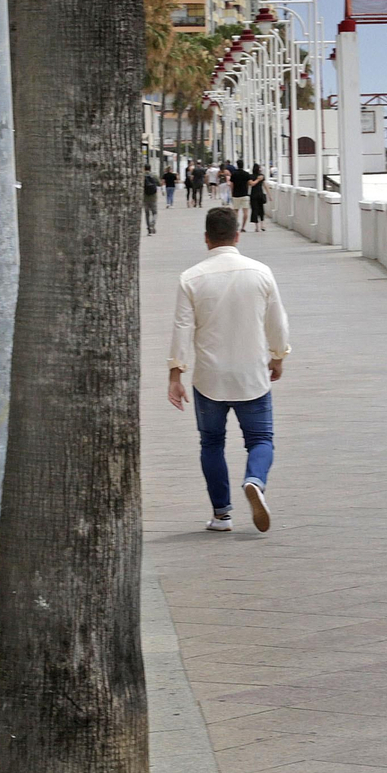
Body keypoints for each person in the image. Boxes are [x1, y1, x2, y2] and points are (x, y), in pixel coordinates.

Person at [167, 208, 290, 534]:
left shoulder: (190, 278)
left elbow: (181, 328)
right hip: (252, 374)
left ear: (206, 238)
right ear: (237, 235)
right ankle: (254, 480)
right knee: (260, 439)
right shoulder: (260, 272)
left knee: (211, 443)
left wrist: (175, 375)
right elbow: (277, 322)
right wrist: (278, 356)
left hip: (210, 378)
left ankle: (222, 515)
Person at [230, 158, 252, 231]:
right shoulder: (246, 174)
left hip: (236, 194)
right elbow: (250, 183)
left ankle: (236, 226)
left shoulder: (234, 174)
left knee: (236, 211)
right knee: (245, 212)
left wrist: (232, 193)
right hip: (245, 194)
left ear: (237, 165)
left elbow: (232, 185)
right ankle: (243, 227)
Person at [247, 164, 270, 232]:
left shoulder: (251, 176)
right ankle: (261, 225)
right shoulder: (259, 176)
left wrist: (269, 194)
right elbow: (252, 184)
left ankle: (258, 226)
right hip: (258, 194)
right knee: (259, 210)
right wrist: (258, 179)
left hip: (254, 195)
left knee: (256, 210)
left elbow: (263, 185)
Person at [142, 165, 160, 235]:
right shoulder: (154, 175)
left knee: (147, 214)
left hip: (145, 197)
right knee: (155, 212)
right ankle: (153, 223)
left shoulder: (142, 176)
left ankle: (148, 228)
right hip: (153, 197)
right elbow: (159, 183)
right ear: (150, 168)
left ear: (144, 168)